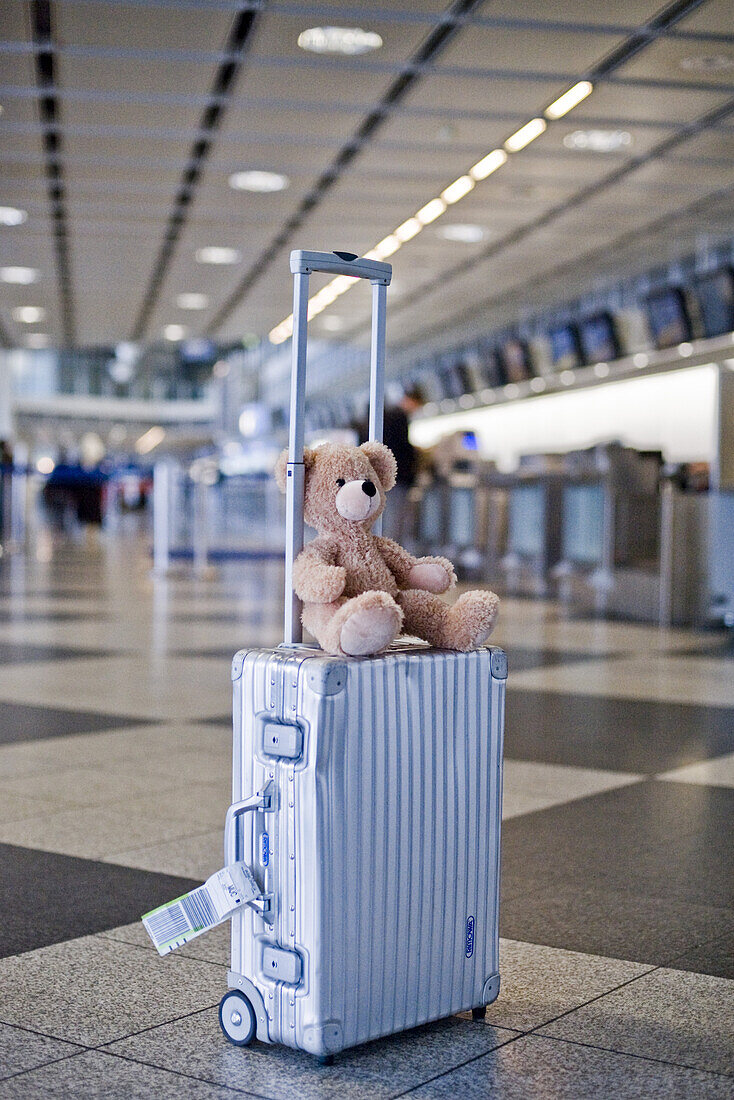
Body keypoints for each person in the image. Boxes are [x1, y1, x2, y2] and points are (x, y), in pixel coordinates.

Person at [378, 385, 425, 544]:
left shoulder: (388, 415)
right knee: (396, 522)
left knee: (387, 519)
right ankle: (392, 555)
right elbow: (402, 448)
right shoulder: (399, 417)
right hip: (399, 480)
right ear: (411, 401)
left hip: (387, 478)